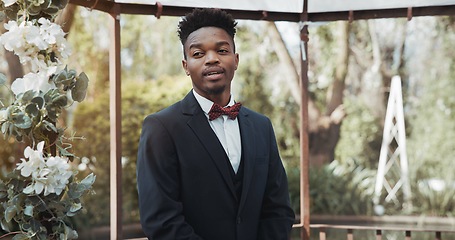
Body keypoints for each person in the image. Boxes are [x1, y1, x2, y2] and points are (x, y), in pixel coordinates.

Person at [136, 8, 295, 240]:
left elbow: (278, 209)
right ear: (186, 66)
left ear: (236, 59)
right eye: (198, 54)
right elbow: (161, 221)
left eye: (222, 50)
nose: (212, 58)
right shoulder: (161, 128)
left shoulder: (261, 126)